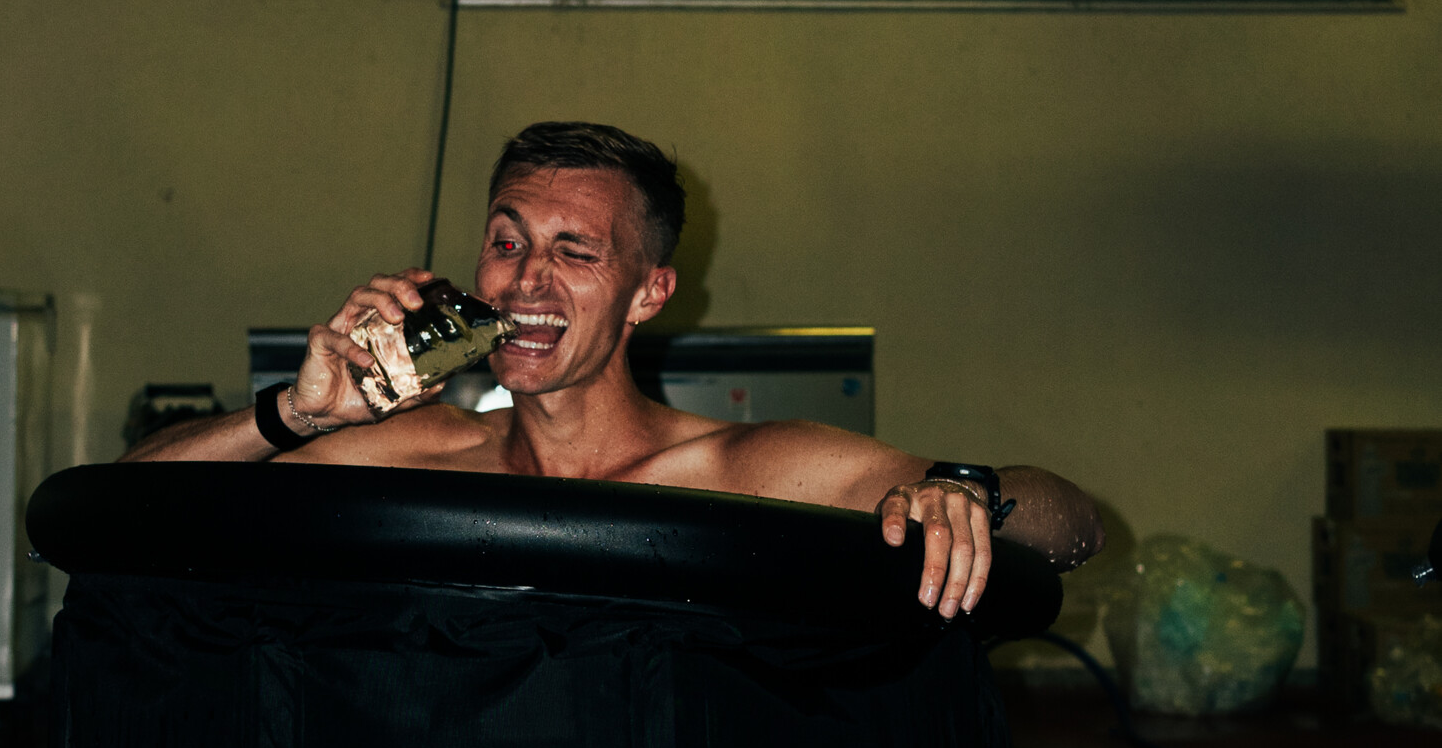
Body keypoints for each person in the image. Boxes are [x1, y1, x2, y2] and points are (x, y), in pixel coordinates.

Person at [125, 121, 1102, 618]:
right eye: (506, 243)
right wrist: (294, 414)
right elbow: (123, 511)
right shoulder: (414, 455)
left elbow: (1070, 522)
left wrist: (961, 493)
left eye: (574, 252)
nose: (525, 281)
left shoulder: (744, 472)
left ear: (648, 292)